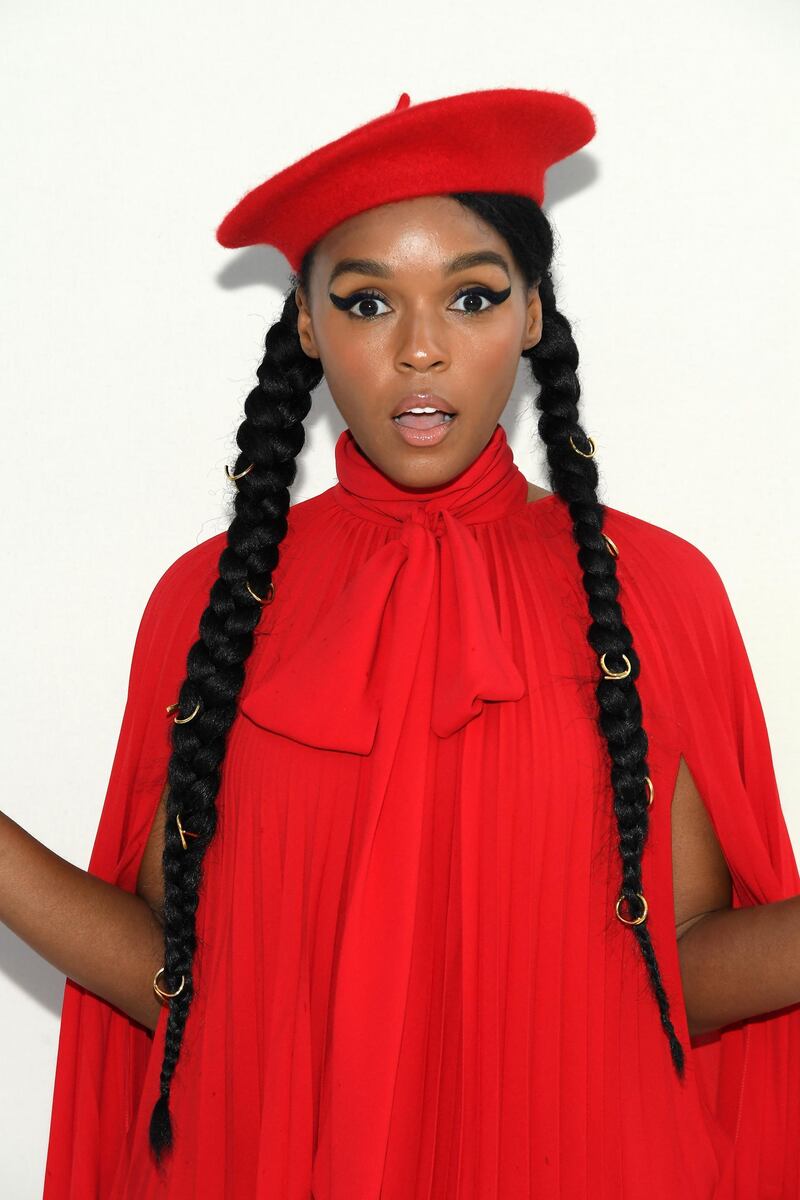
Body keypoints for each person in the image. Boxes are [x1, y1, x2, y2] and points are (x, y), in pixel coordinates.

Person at [3, 87, 797, 1198]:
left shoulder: (659, 592)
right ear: (307, 327)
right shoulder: (204, 600)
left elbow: (683, 966)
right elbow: (180, 981)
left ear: (530, 314)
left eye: (469, 297)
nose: (420, 350)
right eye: (368, 304)